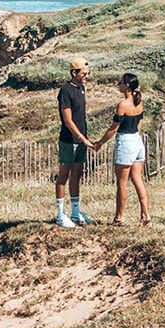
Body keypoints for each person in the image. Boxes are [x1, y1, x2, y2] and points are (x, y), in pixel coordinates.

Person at [93, 72, 150, 226]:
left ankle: (119, 217)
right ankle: (145, 214)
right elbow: (139, 125)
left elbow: (113, 128)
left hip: (125, 142)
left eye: (121, 82)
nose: (118, 84)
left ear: (127, 86)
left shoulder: (123, 105)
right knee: (138, 179)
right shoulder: (139, 103)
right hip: (137, 141)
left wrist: (100, 143)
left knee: (122, 183)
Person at [54, 56, 97, 228]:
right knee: (64, 175)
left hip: (80, 140)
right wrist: (82, 138)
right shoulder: (66, 91)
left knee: (77, 175)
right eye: (84, 73)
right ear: (74, 73)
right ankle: (60, 214)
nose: (87, 76)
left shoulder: (82, 88)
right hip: (69, 140)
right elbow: (68, 121)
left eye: (88, 73)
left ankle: (76, 212)